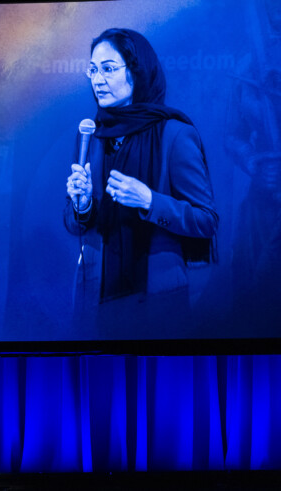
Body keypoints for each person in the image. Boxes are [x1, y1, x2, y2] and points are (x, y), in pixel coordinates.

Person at [64, 28, 218, 339]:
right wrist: (83, 205)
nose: (97, 80)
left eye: (108, 69)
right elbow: (73, 223)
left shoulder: (175, 135)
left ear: (137, 71)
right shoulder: (91, 134)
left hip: (158, 299)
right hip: (96, 295)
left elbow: (206, 220)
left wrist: (150, 200)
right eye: (93, 70)